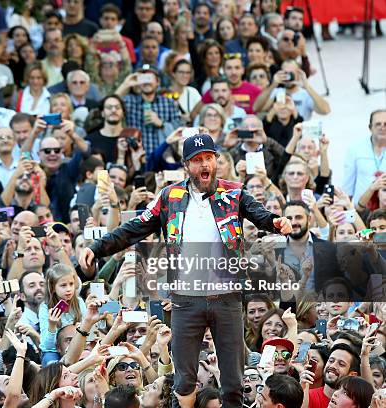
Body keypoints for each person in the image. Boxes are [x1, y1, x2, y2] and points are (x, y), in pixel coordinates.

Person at [80, 133, 292, 407]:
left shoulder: (235, 192)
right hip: (185, 299)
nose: (204, 165)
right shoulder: (170, 196)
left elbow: (260, 214)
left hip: (227, 297)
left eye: (208, 158)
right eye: (196, 160)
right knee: (183, 380)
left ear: (216, 160)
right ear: (186, 166)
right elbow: (133, 228)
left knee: (233, 381)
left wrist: (276, 222)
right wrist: (97, 247)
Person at [116, 66, 182, 155]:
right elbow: (110, 103)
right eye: (143, 79)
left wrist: (161, 123)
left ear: (158, 82)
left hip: (162, 157)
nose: (146, 82)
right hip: (136, 157)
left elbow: (179, 130)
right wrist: (126, 84)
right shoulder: (129, 101)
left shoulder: (169, 103)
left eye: (149, 78)